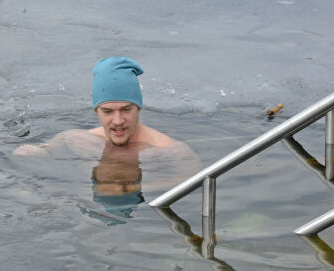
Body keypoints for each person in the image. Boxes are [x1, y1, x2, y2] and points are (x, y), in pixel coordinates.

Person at [13, 56, 201, 221]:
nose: (118, 121)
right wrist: (38, 151)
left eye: (126, 109)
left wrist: (144, 188)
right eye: (108, 111)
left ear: (139, 108)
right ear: (96, 111)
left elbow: (195, 181)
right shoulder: (77, 139)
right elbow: (49, 148)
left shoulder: (170, 150)